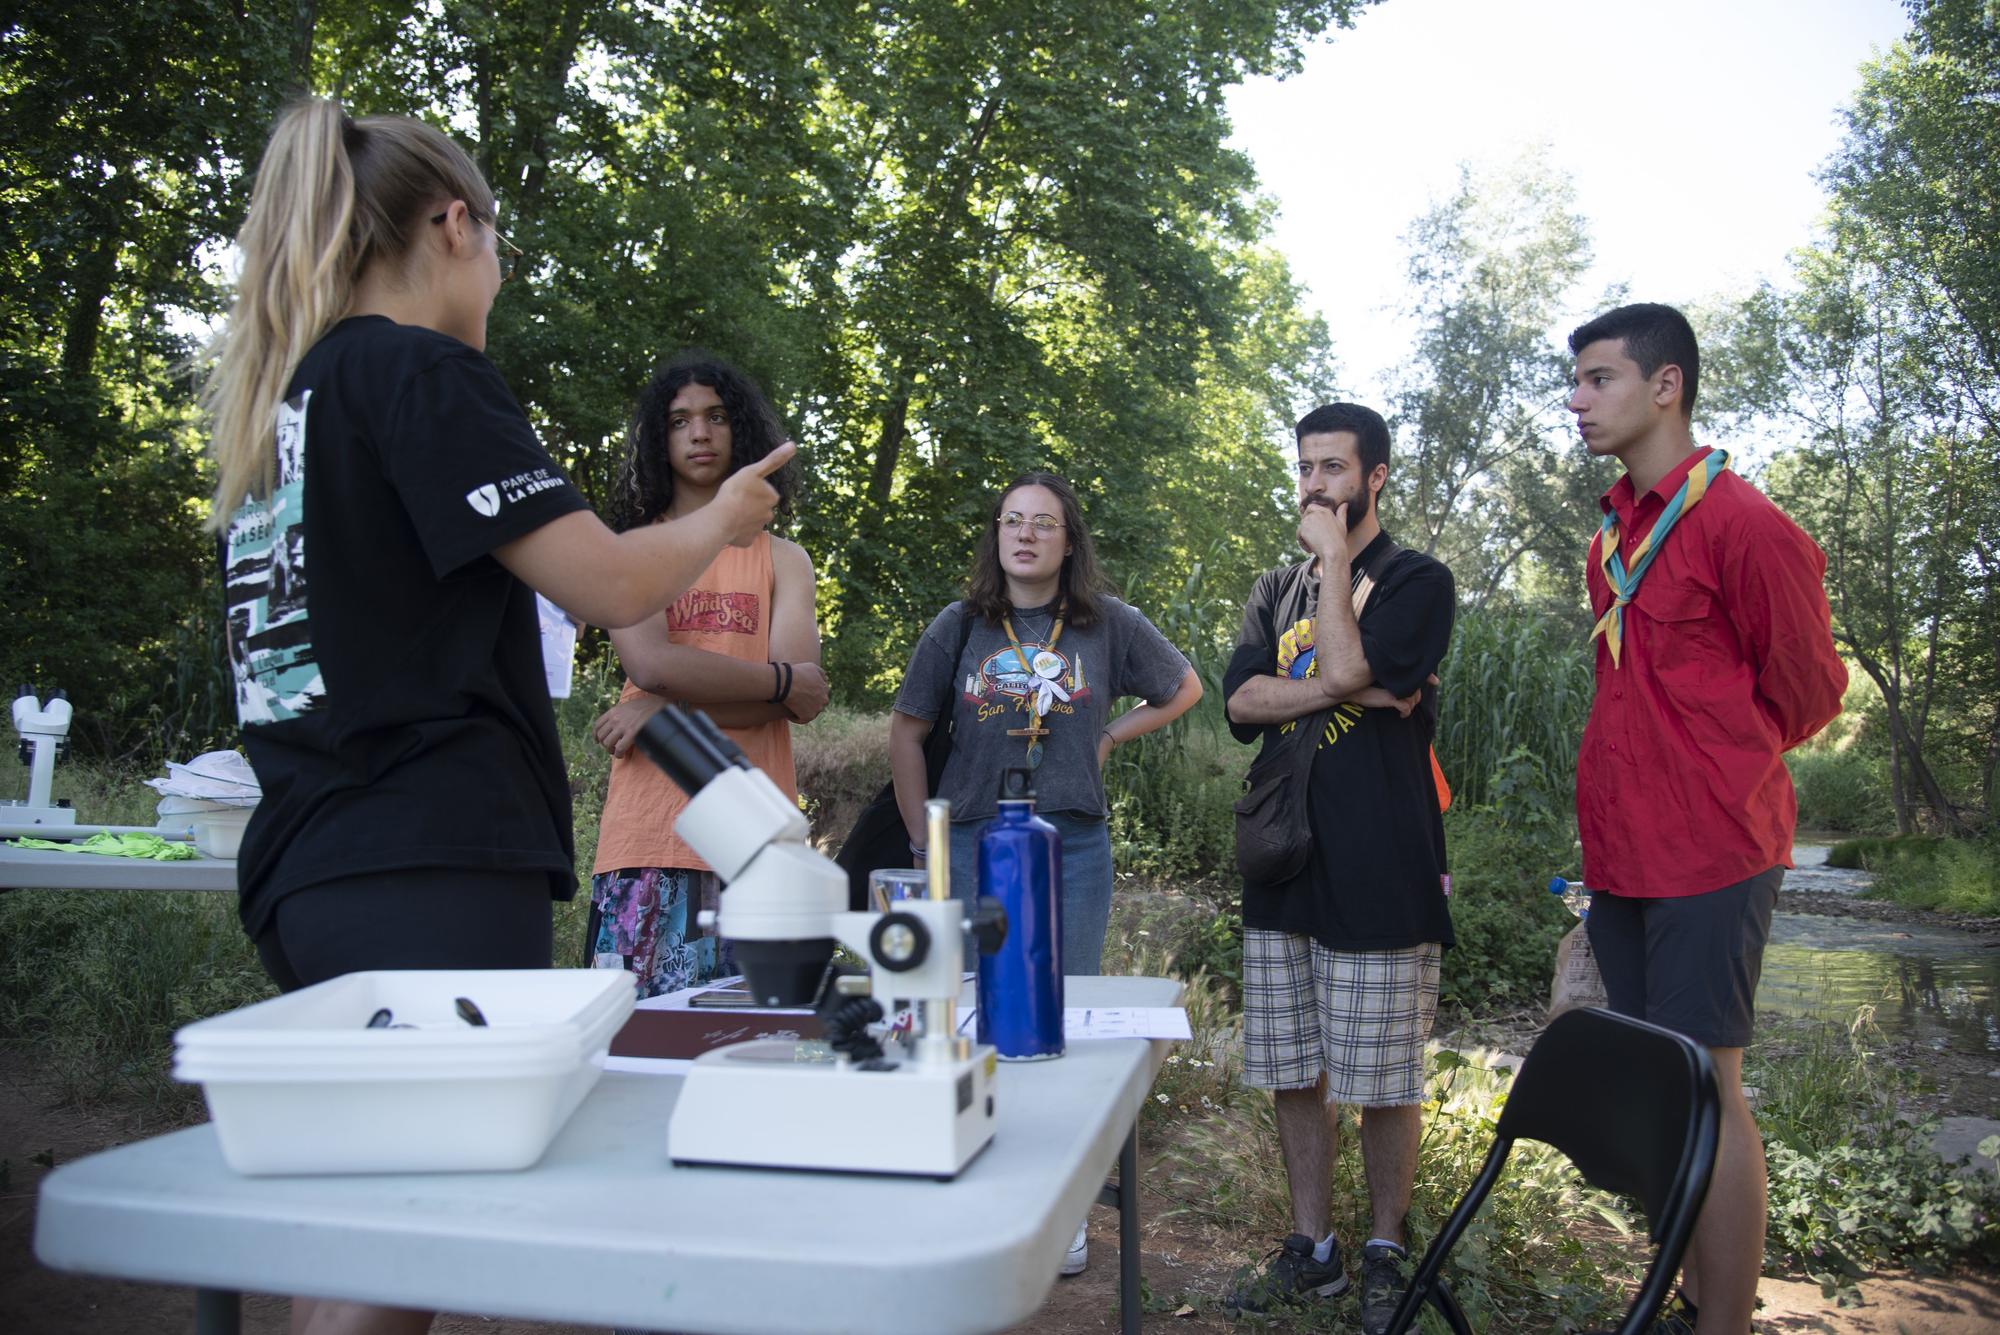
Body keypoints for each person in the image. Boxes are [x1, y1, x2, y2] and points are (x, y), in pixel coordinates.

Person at [200, 99, 788, 1335]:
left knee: (368, 1225)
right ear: (454, 224)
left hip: (310, 861)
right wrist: (724, 523)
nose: (500, 275)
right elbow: (610, 584)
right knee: (409, 1251)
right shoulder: (419, 372)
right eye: (499, 242)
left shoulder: (285, 409)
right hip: (428, 857)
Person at [1567, 303, 1845, 1335]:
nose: (1577, 399)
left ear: (1664, 385)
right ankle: (1682, 1301)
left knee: (1708, 1086)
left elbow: (1808, 693)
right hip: (1622, 852)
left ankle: (1720, 1325)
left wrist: (1711, 766)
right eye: (1578, 381)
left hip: (1713, 850)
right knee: (1657, 1087)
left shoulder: (1744, 526)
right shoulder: (1610, 536)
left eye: (1598, 379)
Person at [888, 469, 1202, 1274]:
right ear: (997, 535)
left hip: (1072, 841)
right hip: (967, 838)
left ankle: (1059, 1207)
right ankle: (962, 1185)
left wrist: (1107, 737)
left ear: (1069, 540)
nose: (1025, 534)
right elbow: (907, 729)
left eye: (1044, 523)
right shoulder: (960, 625)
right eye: (1012, 521)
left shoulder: (1107, 625)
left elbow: (1185, 687)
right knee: (961, 1014)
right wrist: (925, 847)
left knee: (1065, 1015)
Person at [1220, 403, 1455, 1332]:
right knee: (1291, 1069)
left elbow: (1364, 655)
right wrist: (1337, 687)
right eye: (1306, 466)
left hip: (1381, 865)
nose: (1316, 483)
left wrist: (1334, 569)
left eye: (1335, 468)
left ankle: (1385, 1251)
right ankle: (1312, 1249)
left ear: (1376, 477)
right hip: (1282, 862)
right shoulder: (1271, 588)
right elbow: (1241, 700)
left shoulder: (1416, 581)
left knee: (1383, 1078)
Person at [586, 352, 827, 996]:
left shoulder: (786, 559)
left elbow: (803, 692)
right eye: (679, 420)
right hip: (649, 836)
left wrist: (666, 713)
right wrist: (765, 684)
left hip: (758, 842)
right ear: (658, 440)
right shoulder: (631, 549)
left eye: (716, 417)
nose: (699, 433)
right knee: (634, 1059)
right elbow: (652, 662)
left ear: (739, 430)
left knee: (751, 1056)